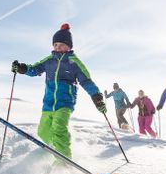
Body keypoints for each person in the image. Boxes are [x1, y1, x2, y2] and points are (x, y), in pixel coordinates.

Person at [12, 23, 106, 159]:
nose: (58, 47)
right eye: (55, 44)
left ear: (69, 46)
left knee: (58, 128)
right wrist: (22, 68)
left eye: (61, 44)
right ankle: (54, 149)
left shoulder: (74, 62)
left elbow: (86, 81)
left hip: (65, 103)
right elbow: (34, 69)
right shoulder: (49, 60)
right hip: (48, 103)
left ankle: (64, 160)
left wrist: (96, 96)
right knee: (43, 131)